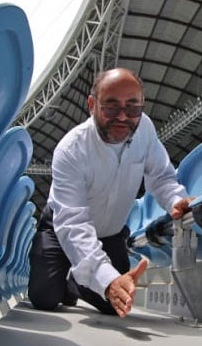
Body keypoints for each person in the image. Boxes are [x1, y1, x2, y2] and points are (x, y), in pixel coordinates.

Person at [28, 68, 193, 317]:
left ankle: (76, 282)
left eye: (133, 107)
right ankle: (73, 277)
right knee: (44, 298)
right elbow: (73, 223)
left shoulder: (144, 130)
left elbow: (161, 175)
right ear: (92, 104)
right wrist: (107, 280)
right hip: (61, 227)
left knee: (112, 304)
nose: (122, 117)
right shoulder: (71, 150)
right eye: (111, 107)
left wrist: (175, 199)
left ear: (142, 106)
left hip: (110, 232)